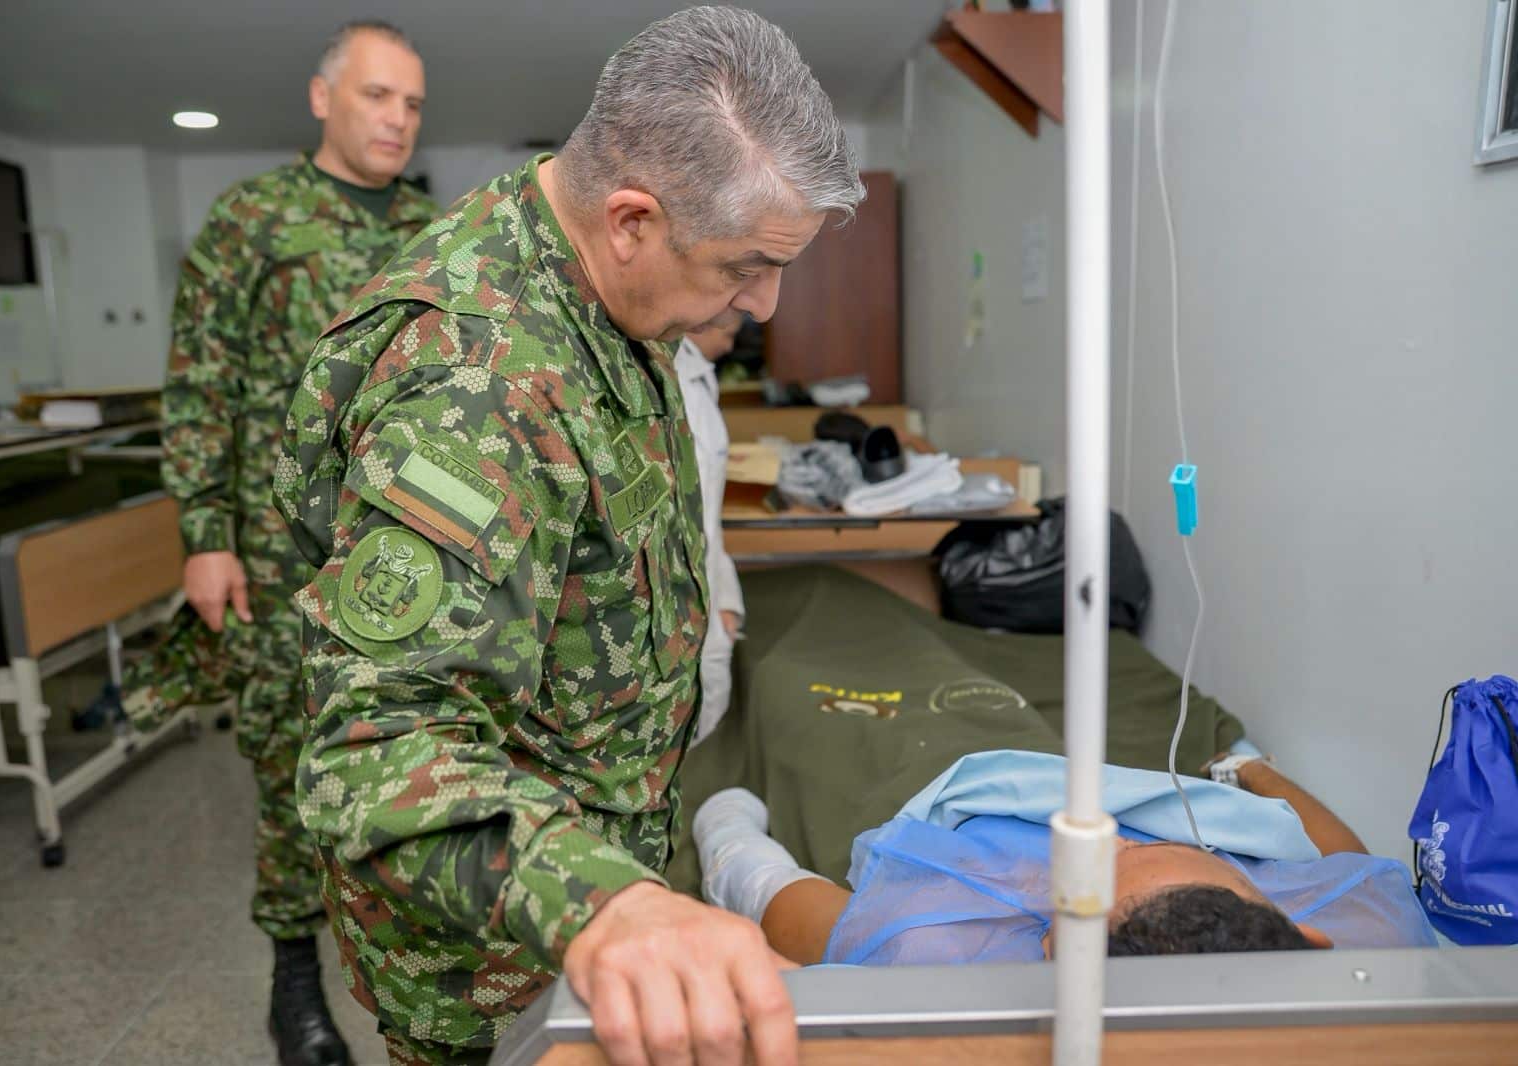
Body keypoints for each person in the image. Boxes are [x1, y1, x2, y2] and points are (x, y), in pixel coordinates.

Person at [271, 8, 863, 1064]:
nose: (763, 302)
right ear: (631, 219)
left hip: (590, 857)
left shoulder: (594, 278)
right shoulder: (475, 382)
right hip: (487, 951)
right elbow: (377, 744)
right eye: (744, 265)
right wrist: (607, 904)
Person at [123, 20, 437, 1066]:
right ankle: (294, 979)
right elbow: (201, 385)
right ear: (322, 99)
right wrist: (205, 536)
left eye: (412, 104)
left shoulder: (438, 232)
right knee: (287, 763)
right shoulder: (250, 220)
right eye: (377, 95)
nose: (396, 118)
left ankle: (408, 960)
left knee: (408, 752)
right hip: (273, 553)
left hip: (403, 554)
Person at [695, 749, 1439, 968]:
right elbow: (1338, 857)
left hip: (983, 824)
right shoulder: (1378, 935)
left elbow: (774, 894)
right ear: (1305, 934)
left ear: (1050, 946)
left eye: (1122, 852)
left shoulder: (928, 940)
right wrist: (1252, 771)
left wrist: (726, 831)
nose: (1120, 831)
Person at [673, 319, 746, 744]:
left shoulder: (700, 376)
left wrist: (727, 598)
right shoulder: (670, 376)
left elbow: (708, 513)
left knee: (709, 697)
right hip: (678, 590)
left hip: (705, 578)